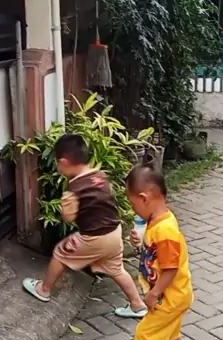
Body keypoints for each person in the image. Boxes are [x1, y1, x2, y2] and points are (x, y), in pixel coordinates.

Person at [23, 134, 147, 317]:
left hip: (94, 237)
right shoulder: (100, 177)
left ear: (64, 162)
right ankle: (138, 305)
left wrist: (66, 204)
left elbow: (69, 218)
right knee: (116, 269)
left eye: (57, 163)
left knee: (60, 254)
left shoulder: (74, 189)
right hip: (114, 232)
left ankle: (44, 289)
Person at [124, 164, 203, 340]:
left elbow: (170, 268)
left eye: (133, 204)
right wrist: (140, 241)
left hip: (169, 297)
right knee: (168, 333)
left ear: (144, 198)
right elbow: (156, 254)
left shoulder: (165, 230)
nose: (133, 209)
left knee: (147, 334)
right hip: (174, 295)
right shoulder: (157, 221)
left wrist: (154, 293)